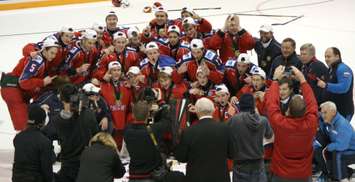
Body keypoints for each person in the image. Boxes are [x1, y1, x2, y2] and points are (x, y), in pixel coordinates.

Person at [268, 65, 318, 181]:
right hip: (303, 174)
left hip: (280, 174)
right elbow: (312, 103)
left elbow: (271, 104)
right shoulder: (311, 123)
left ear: (288, 110)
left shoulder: (280, 123)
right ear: (306, 111)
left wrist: (275, 81)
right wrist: (303, 80)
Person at [1, 38, 60, 130]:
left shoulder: (42, 59)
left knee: (28, 123)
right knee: (24, 126)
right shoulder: (37, 61)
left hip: (17, 90)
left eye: (55, 54)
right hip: (12, 90)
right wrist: (42, 82)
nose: (54, 56)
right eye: (52, 53)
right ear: (44, 50)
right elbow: (23, 82)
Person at [175, 97, 234, 182]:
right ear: (213, 110)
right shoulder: (225, 129)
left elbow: (181, 157)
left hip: (196, 177)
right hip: (220, 177)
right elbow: (232, 154)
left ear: (197, 111)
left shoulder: (189, 131)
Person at [52, 83, 99, 182]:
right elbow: (97, 136)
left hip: (68, 166)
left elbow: (45, 136)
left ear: (61, 98)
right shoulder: (88, 114)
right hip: (87, 166)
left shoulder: (57, 120)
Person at [228, 93, 273, 182]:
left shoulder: (234, 120)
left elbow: (226, 136)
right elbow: (269, 135)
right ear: (253, 105)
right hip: (258, 165)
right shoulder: (263, 120)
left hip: (240, 165)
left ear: (240, 104)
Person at [124, 100, 173, 182]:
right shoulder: (154, 130)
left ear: (132, 115)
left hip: (133, 176)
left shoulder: (127, 130)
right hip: (151, 176)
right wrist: (161, 106)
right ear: (148, 115)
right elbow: (167, 121)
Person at [314, 101, 355, 182]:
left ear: (333, 112)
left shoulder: (342, 125)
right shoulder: (327, 120)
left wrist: (328, 147)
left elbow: (342, 146)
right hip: (337, 145)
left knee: (337, 154)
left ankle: (340, 178)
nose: (323, 115)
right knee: (318, 151)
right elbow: (317, 115)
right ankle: (333, 173)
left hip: (350, 150)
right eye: (322, 113)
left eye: (325, 113)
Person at [12, 105, 55, 182]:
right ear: (43, 122)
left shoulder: (18, 138)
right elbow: (47, 171)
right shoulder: (44, 142)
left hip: (17, 179)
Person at [100, 61, 133, 149]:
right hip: (110, 122)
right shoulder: (102, 85)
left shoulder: (126, 85)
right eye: (114, 70)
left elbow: (131, 105)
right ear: (109, 72)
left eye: (118, 70)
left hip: (123, 121)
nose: (116, 72)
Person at [317, 47, 354, 121]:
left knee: (341, 132)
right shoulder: (330, 69)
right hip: (332, 111)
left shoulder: (343, 69)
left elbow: (344, 88)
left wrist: (326, 85)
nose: (326, 59)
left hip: (343, 111)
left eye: (329, 56)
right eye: (325, 57)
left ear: (337, 56)